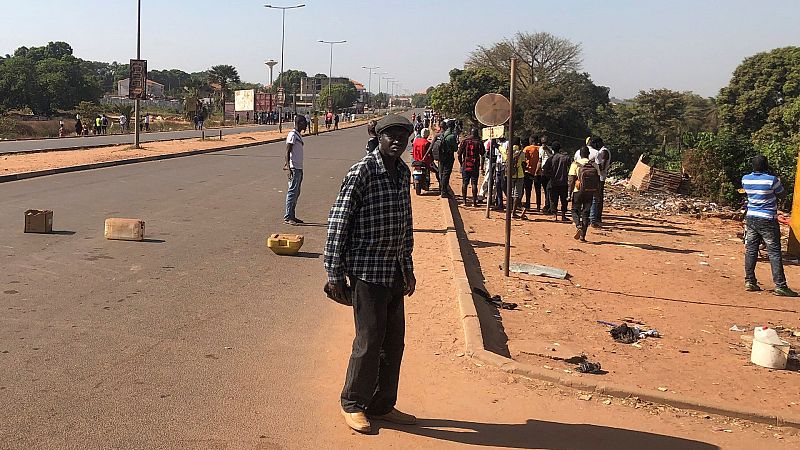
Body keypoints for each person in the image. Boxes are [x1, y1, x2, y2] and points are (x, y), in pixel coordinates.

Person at [324, 114, 417, 434]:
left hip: (393, 271)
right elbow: (338, 224)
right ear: (378, 137)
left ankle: (382, 404)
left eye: (403, 136)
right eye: (391, 135)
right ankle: (353, 403)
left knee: (394, 343)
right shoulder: (361, 172)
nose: (397, 141)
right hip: (366, 272)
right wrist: (334, 274)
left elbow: (405, 223)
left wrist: (409, 268)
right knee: (369, 340)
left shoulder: (403, 173)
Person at [742, 155, 797, 296]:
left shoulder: (745, 179)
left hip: (751, 217)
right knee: (774, 252)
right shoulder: (772, 180)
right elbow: (782, 194)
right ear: (766, 166)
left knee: (751, 250)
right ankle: (780, 285)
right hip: (767, 219)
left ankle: (750, 281)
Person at [568, 146, 601, 241]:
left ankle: (578, 225)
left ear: (580, 154)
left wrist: (569, 194)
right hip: (590, 191)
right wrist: (597, 193)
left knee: (575, 210)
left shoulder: (575, 164)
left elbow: (571, 180)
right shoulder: (594, 165)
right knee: (586, 213)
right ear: (588, 154)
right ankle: (583, 236)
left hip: (578, 191)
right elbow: (598, 181)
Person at [283, 115, 309, 225]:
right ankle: (288, 216)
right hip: (294, 168)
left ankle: (292, 215)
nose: (306, 125)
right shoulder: (292, 135)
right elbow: (287, 152)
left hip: (299, 168)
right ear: (300, 123)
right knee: (292, 192)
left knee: (296, 193)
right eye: (305, 123)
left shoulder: (298, 135)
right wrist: (288, 168)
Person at [541, 141, 571, 221]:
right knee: (564, 199)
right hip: (563, 182)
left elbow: (544, 169)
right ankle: (563, 215)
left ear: (553, 149)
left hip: (553, 182)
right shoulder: (566, 158)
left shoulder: (550, 159)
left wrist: (549, 176)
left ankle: (555, 215)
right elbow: (570, 168)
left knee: (553, 199)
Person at [457, 127, 485, 206]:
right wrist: (482, 166)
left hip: (465, 165)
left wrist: (461, 163)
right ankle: (474, 202)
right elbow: (483, 154)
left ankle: (464, 201)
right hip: (475, 166)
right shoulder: (479, 142)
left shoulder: (464, 141)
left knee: (464, 183)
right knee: (474, 184)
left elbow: (459, 154)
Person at [501, 137, 527, 219]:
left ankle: (508, 211)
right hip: (519, 175)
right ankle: (514, 212)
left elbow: (501, 152)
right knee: (517, 194)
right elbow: (523, 164)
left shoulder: (507, 152)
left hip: (509, 175)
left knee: (509, 193)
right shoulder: (521, 153)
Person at [590, 137, 611, 227]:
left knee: (597, 198)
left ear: (598, 143)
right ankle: (597, 217)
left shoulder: (603, 152)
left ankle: (597, 217)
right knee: (598, 197)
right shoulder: (603, 151)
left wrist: (592, 165)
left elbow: (601, 166)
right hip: (600, 177)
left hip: (600, 177)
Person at [438, 120, 458, 198]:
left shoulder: (444, 134)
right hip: (449, 156)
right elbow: (455, 149)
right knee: (446, 174)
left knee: (442, 173)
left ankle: (442, 190)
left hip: (442, 155)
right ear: (453, 126)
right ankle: (444, 191)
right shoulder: (452, 136)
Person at [535, 136, 554, 213]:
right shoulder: (540, 149)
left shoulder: (551, 149)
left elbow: (552, 155)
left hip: (550, 171)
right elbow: (540, 160)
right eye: (543, 143)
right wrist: (537, 171)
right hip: (543, 171)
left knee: (548, 189)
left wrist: (547, 149)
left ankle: (548, 206)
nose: (544, 144)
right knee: (546, 189)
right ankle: (547, 205)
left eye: (545, 143)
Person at [522, 137, 540, 212]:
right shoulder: (540, 148)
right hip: (538, 172)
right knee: (538, 190)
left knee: (528, 189)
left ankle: (528, 205)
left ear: (531, 141)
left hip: (528, 171)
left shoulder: (527, 148)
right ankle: (538, 206)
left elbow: (524, 158)